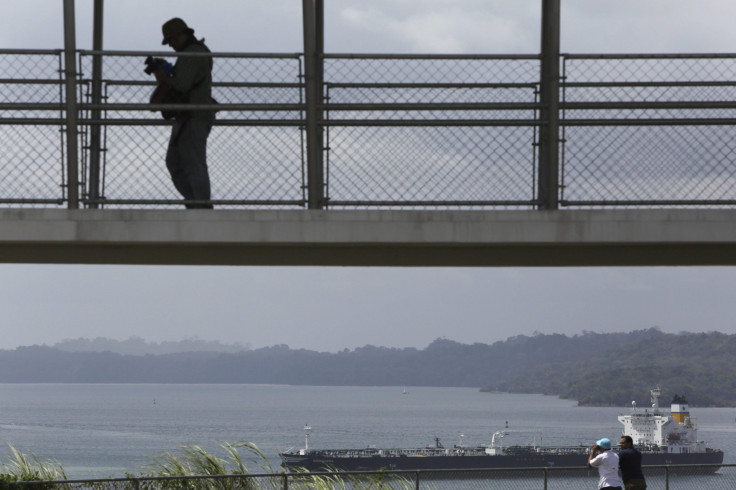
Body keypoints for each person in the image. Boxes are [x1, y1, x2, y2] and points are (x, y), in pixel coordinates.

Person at [153, 17, 215, 209]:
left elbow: (181, 84)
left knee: (192, 163)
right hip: (188, 115)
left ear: (180, 36)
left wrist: (164, 77)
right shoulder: (193, 53)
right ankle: (196, 204)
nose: (170, 45)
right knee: (177, 163)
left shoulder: (192, 54)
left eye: (170, 40)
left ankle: (201, 207)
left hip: (193, 116)